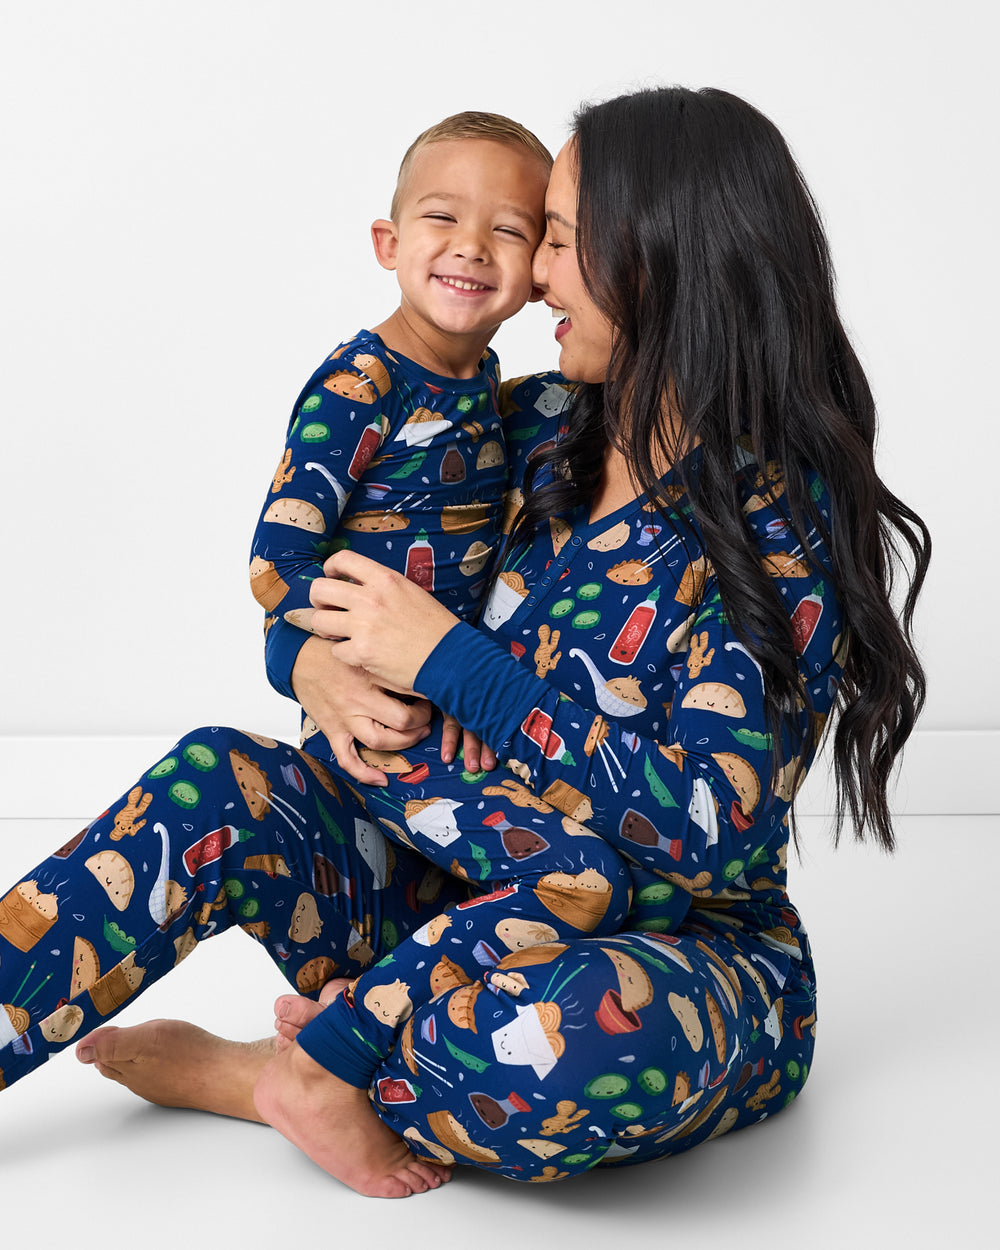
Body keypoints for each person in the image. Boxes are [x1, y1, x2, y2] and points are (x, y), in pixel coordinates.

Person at [0, 86, 928, 1201]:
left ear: (661, 257)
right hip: (454, 893)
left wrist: (455, 667)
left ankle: (288, 1069)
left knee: (554, 1046)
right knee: (214, 779)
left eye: (561, 238)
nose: (533, 272)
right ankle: (341, 1050)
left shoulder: (777, 519)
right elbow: (321, 571)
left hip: (669, 951)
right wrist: (302, 661)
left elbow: (715, 836)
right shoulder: (525, 427)